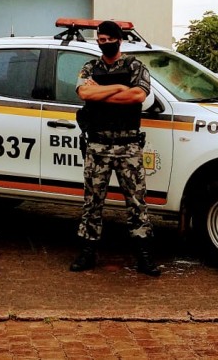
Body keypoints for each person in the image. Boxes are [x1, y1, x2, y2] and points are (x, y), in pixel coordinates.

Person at [71, 20, 161, 276]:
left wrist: (103, 91)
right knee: (92, 202)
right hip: (98, 145)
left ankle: (143, 256)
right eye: (101, 39)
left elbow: (137, 96)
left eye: (110, 39)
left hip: (128, 147)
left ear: (119, 40)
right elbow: (84, 94)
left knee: (136, 203)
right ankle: (87, 252)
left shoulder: (135, 65)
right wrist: (120, 87)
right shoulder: (90, 66)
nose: (105, 43)